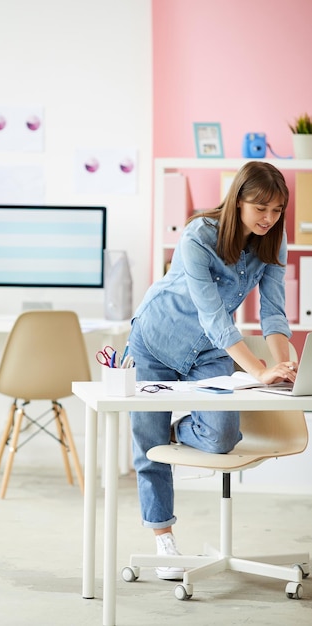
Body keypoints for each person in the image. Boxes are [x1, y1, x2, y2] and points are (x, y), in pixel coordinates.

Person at [128, 161, 298, 580]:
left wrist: (283, 363)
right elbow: (214, 317)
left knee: (223, 434)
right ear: (237, 199)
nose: (269, 218)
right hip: (156, 340)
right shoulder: (199, 234)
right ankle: (163, 537)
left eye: (277, 210)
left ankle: (176, 426)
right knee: (149, 449)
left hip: (208, 352)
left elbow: (274, 313)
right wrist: (258, 370)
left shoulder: (272, 242)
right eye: (261, 208)